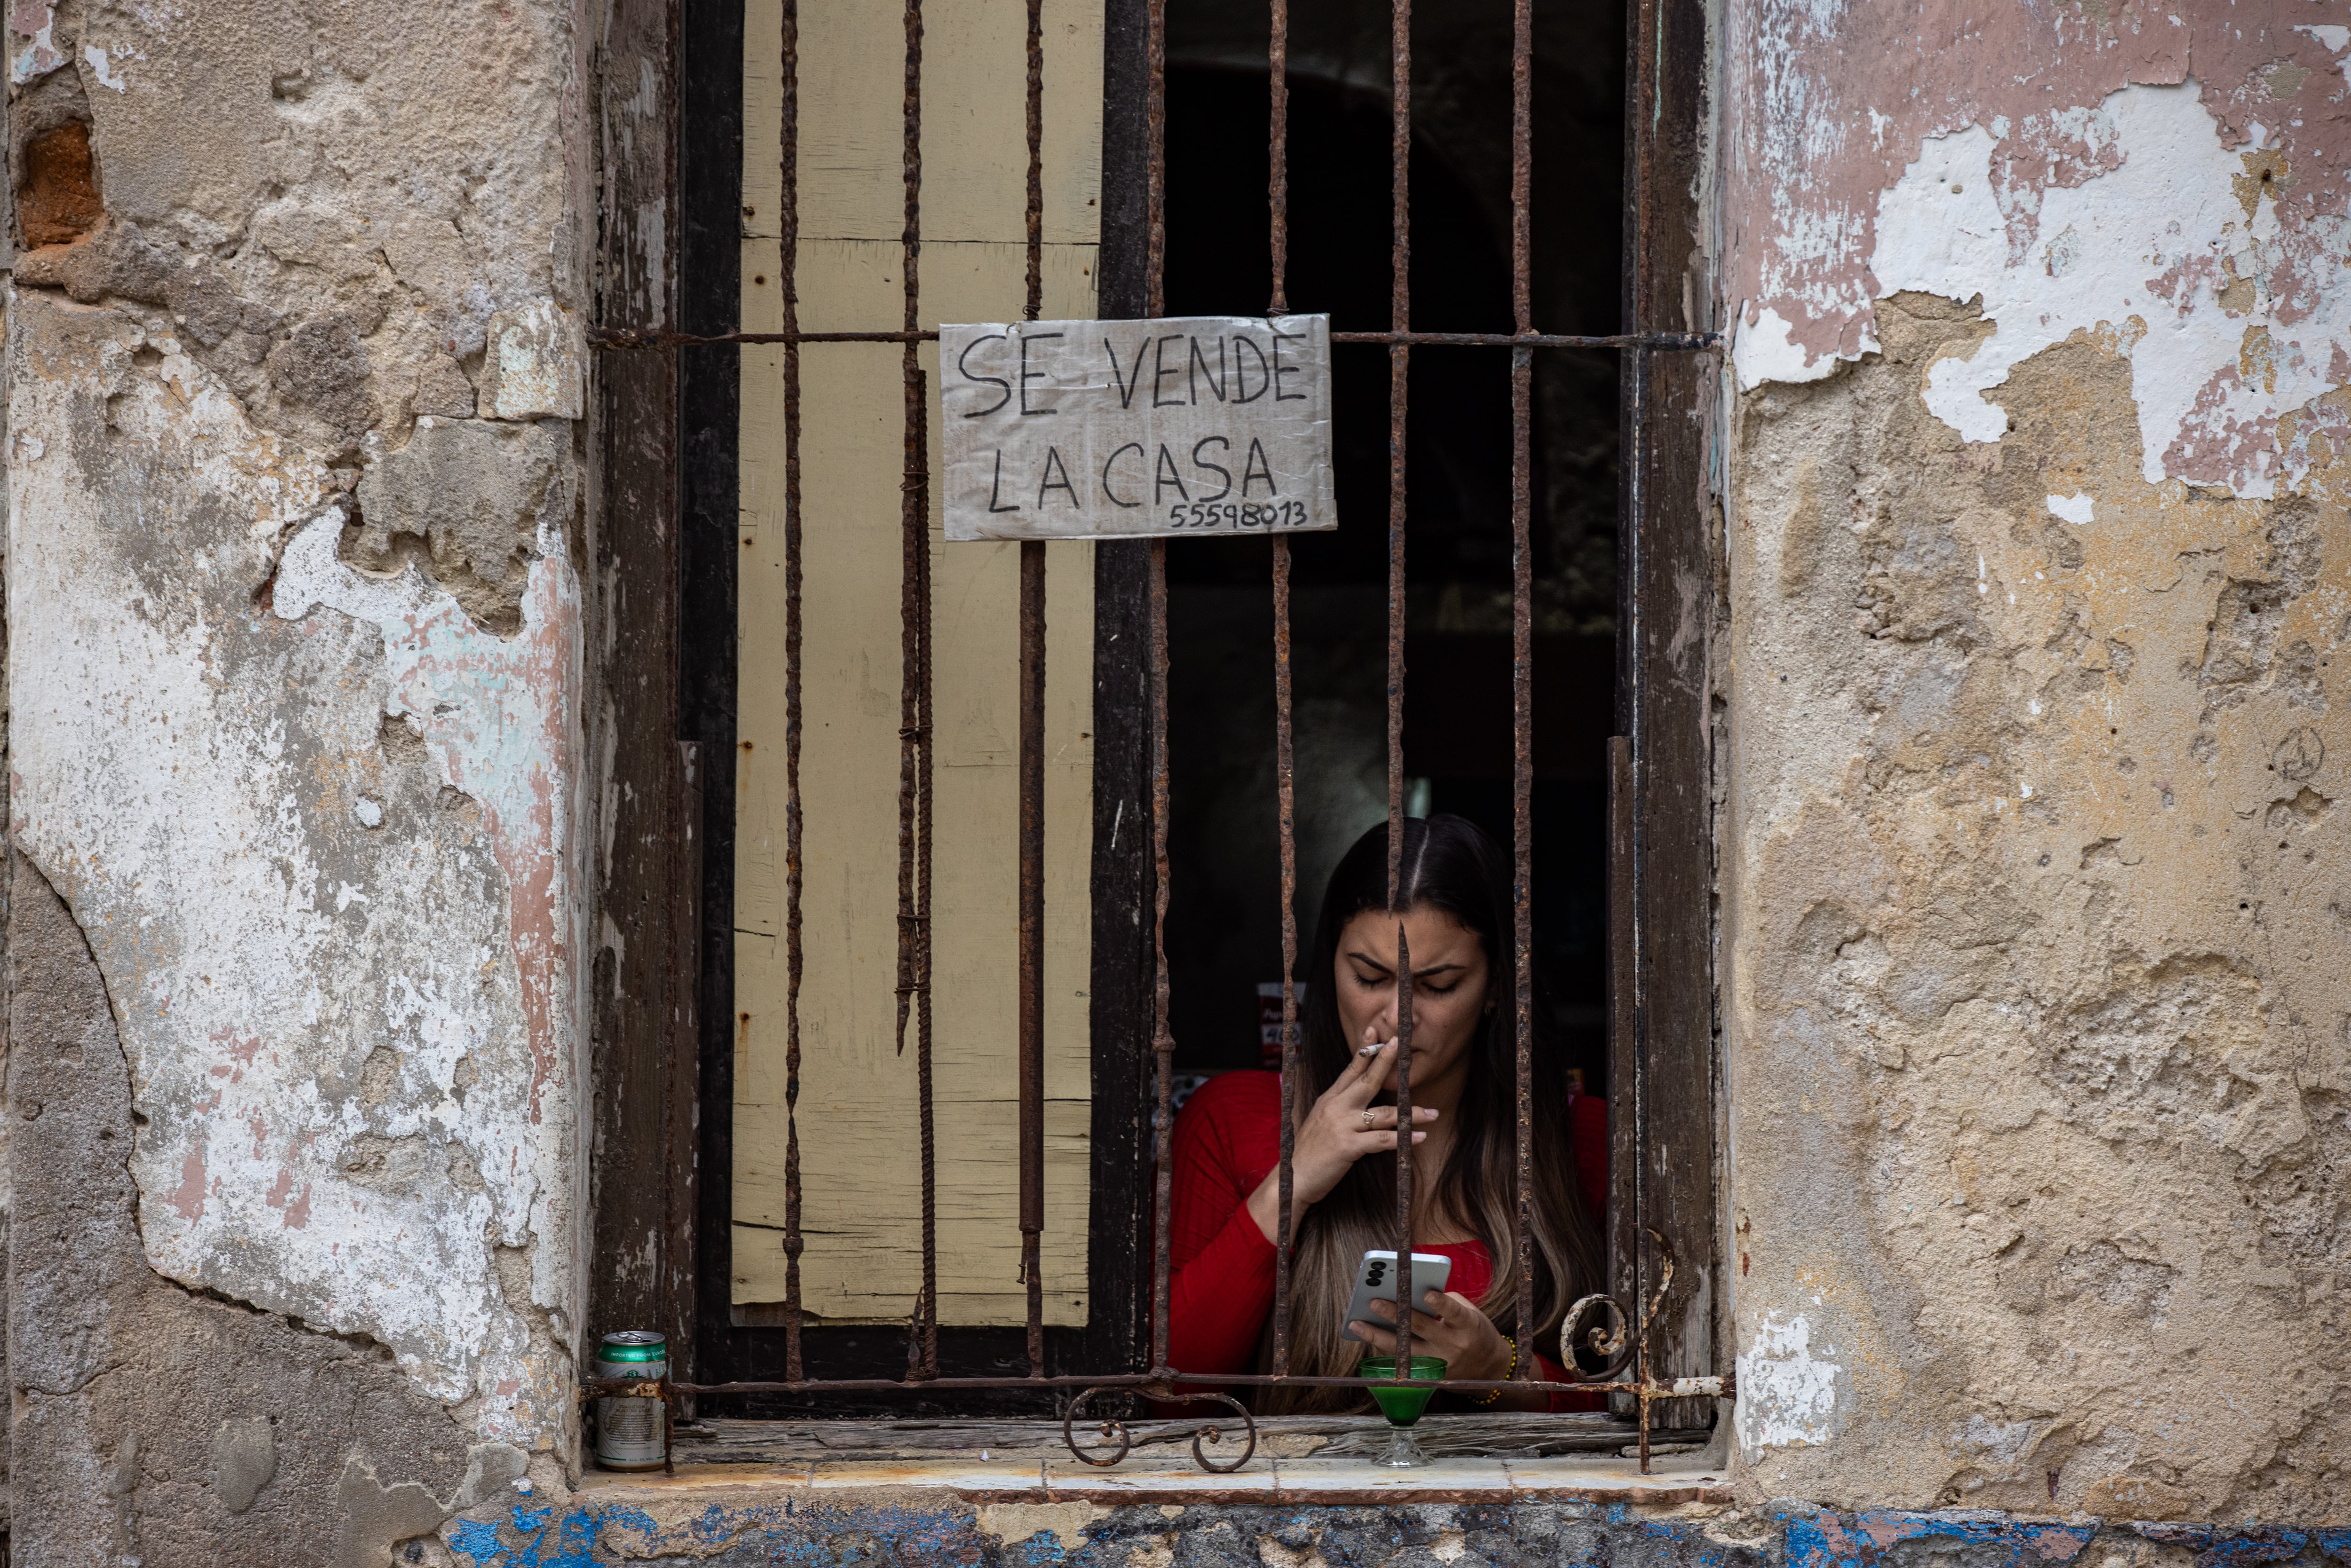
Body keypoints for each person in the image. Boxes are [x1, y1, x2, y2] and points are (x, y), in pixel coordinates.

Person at [1165, 814, 1609, 1413]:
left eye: (1438, 984)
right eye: (1369, 977)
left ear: (1496, 986)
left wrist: (1501, 1370)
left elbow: (1653, 1409)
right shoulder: (1231, 1120)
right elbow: (1167, 1396)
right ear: (1329, 968)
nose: (1398, 1014)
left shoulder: (1579, 1140)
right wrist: (1291, 1185)